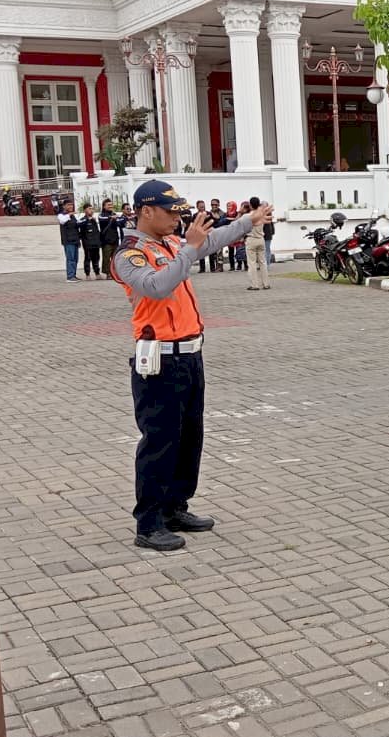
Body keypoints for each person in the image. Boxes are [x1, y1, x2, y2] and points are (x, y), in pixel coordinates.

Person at [111, 179, 270, 551]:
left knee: (188, 438)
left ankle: (174, 507)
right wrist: (190, 250)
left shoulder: (169, 243)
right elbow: (156, 286)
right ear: (146, 211)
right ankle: (148, 523)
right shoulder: (129, 253)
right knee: (160, 442)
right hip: (159, 361)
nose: (176, 219)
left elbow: (209, 242)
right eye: (170, 212)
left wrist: (249, 220)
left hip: (190, 354)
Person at [244, 196, 270, 291]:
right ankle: (266, 283)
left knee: (252, 263)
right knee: (263, 262)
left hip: (251, 238)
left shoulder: (248, 216)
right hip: (261, 238)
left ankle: (254, 284)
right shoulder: (261, 214)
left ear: (250, 205)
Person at [58, 200, 81, 283]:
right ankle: (70, 276)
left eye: (71, 205)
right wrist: (69, 215)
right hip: (68, 241)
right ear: (64, 206)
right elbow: (62, 221)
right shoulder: (61, 215)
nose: (70, 206)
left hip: (75, 240)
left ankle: (74, 275)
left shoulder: (73, 216)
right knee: (70, 259)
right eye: (68, 205)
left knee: (75, 259)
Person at [78, 204, 104, 279]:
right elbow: (78, 224)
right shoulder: (83, 219)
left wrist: (99, 242)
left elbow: (97, 232)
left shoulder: (94, 220)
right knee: (88, 258)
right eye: (89, 208)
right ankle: (87, 274)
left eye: (92, 209)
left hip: (95, 243)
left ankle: (97, 273)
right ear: (85, 210)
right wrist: (87, 219)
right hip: (87, 243)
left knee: (96, 258)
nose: (91, 210)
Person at [99, 199, 122, 274]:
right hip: (106, 240)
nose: (110, 206)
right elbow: (102, 219)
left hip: (115, 239)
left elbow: (119, 223)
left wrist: (116, 218)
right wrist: (111, 218)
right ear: (104, 206)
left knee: (115, 257)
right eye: (108, 205)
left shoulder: (114, 214)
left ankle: (115, 273)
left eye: (111, 204)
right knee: (106, 257)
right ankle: (108, 273)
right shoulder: (101, 215)